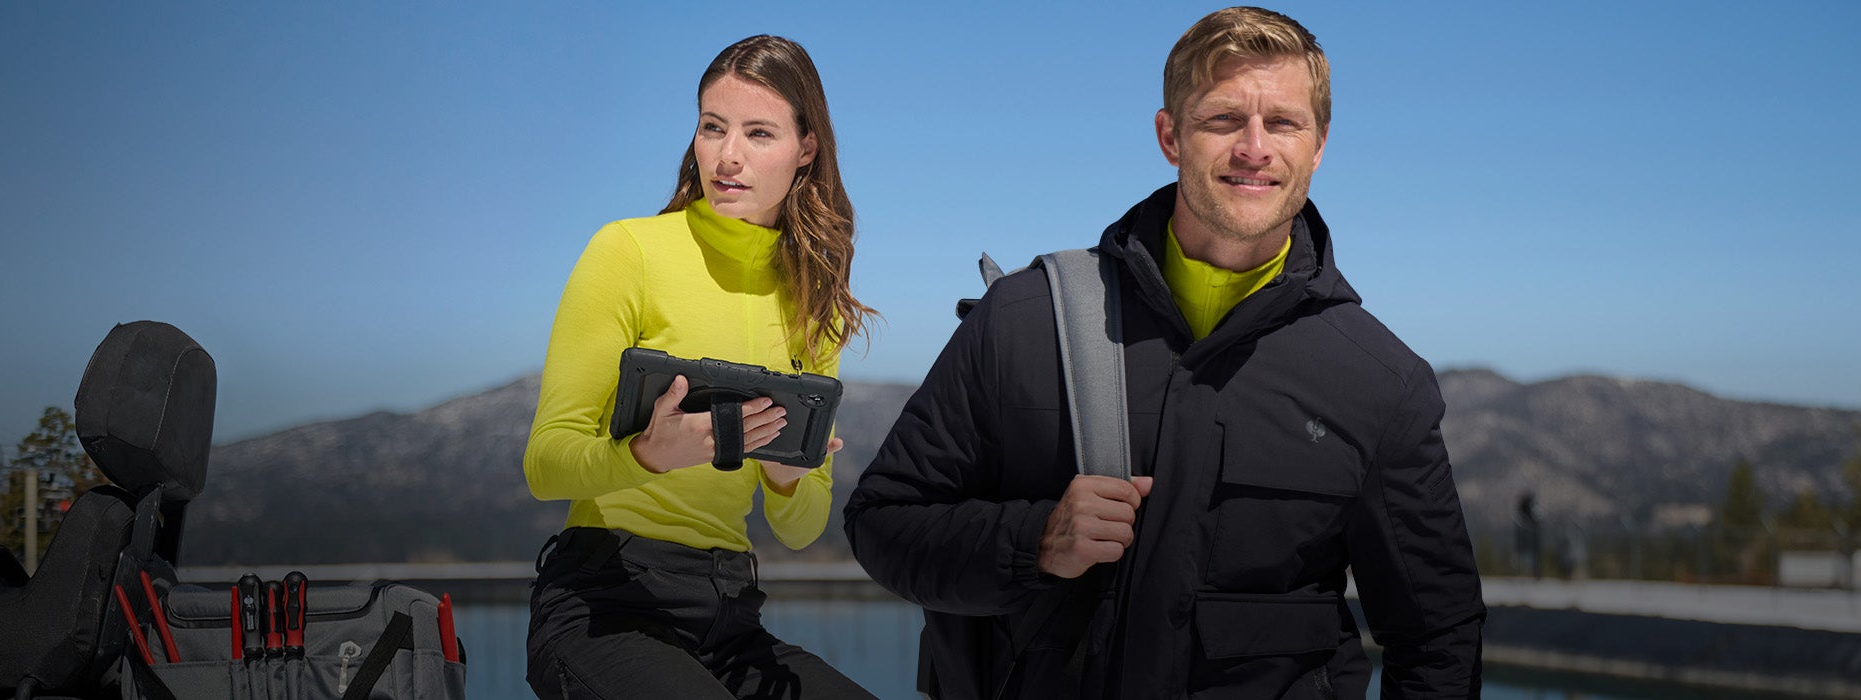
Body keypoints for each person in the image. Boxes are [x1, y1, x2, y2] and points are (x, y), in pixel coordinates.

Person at [843, 7, 1484, 699]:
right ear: (1169, 136)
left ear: (1320, 143)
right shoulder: (1022, 321)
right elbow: (882, 522)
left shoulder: (1380, 383)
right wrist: (1035, 541)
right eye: (1222, 120)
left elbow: (1437, 640)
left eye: (1285, 123)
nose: (1254, 148)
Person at [523, 34, 879, 700]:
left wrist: (784, 475)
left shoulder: (811, 299)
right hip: (603, 604)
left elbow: (800, 530)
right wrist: (645, 457)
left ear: (806, 149)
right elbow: (545, 461)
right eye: (713, 128)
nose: (728, 156)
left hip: (727, 614)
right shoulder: (628, 251)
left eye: (759, 133)